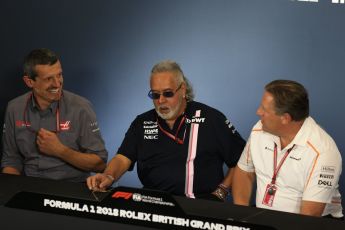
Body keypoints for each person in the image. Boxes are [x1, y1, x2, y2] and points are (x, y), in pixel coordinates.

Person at [87, 60, 245, 200]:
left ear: (182, 90)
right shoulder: (142, 122)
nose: (161, 101)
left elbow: (242, 159)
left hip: (200, 206)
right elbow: (123, 158)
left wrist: (221, 191)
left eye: (168, 93)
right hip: (154, 205)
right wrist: (108, 175)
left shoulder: (211, 118)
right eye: (155, 95)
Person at [232, 80, 343, 218]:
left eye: (264, 109)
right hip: (264, 216)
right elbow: (244, 171)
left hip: (313, 223)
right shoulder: (259, 129)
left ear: (285, 118)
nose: (258, 112)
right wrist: (242, 217)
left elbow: (310, 215)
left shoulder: (323, 152)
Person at [1, 48, 108, 182]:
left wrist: (60, 150)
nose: (57, 83)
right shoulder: (14, 108)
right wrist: (10, 190)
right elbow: (11, 160)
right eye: (48, 79)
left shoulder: (81, 107)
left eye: (59, 75)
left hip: (72, 187)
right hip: (30, 186)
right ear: (29, 82)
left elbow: (100, 164)